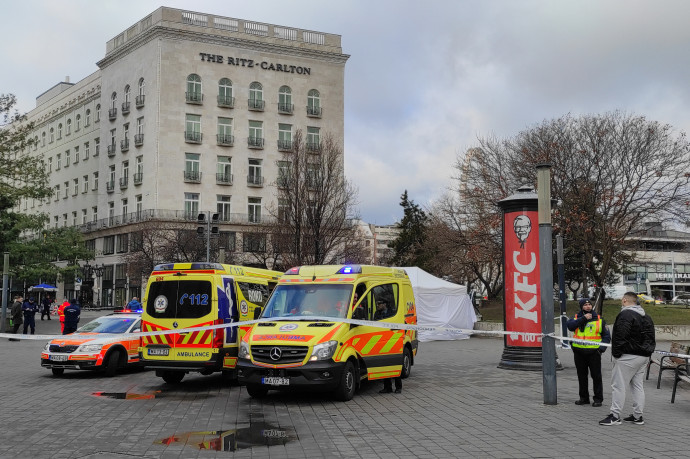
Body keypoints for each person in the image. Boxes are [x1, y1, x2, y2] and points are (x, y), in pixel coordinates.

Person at [599, 292, 656, 426]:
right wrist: (647, 352)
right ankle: (638, 416)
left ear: (624, 300)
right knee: (637, 386)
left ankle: (615, 415)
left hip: (628, 356)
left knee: (618, 385)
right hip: (643, 356)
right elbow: (650, 337)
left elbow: (620, 336)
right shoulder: (646, 316)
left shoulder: (625, 315)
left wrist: (617, 355)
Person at [567, 298, 610, 407]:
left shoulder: (599, 319)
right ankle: (584, 398)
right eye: (585, 305)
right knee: (582, 376)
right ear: (581, 306)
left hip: (594, 353)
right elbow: (570, 326)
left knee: (596, 376)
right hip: (579, 353)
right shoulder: (576, 318)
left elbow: (606, 336)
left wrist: (601, 350)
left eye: (589, 304)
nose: (588, 306)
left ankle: (598, 399)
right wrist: (583, 319)